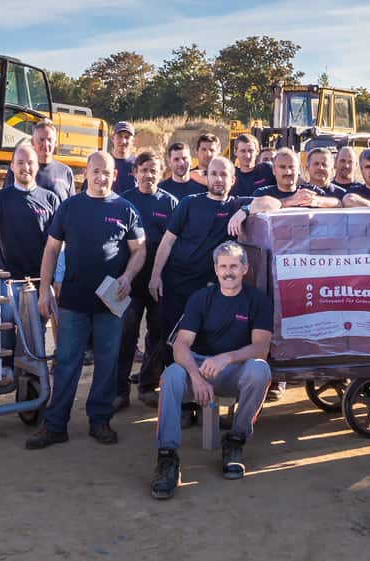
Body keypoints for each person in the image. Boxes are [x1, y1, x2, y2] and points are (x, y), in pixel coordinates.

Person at [29, 152, 146, 449]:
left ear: (114, 175)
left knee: (107, 362)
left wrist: (129, 276)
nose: (101, 177)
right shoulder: (69, 207)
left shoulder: (126, 209)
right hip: (73, 300)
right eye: (96, 171)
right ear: (86, 172)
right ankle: (55, 425)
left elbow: (140, 250)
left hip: (111, 300)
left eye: (106, 172)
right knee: (67, 362)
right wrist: (44, 290)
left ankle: (100, 420)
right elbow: (51, 249)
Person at [149, 157, 280, 408]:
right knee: (172, 343)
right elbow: (167, 241)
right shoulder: (189, 203)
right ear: (206, 177)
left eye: (224, 175)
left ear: (233, 179)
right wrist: (156, 276)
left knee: (199, 344)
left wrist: (245, 211)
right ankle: (184, 404)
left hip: (208, 290)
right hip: (176, 285)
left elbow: (272, 202)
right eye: (214, 174)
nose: (219, 179)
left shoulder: (236, 204)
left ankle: (204, 396)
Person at [150, 241, 274, 500]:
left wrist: (227, 357)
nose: (228, 272)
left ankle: (236, 441)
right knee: (172, 374)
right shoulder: (201, 298)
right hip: (200, 368)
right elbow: (181, 344)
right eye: (223, 266)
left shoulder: (257, 301)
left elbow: (261, 347)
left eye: (234, 266)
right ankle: (167, 458)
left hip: (233, 370)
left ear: (245, 268)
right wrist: (195, 376)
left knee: (260, 370)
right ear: (215, 270)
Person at [0, 143, 63, 370]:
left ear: (37, 166)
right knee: (4, 326)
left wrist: (57, 278)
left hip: (39, 284)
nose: (25, 167)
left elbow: (59, 245)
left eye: (30, 163)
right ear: (12, 166)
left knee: (34, 334)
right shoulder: (0, 198)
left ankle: (32, 383)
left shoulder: (51, 199)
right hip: (8, 282)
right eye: (20, 163)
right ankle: (6, 370)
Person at [117, 151, 179, 408]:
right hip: (128, 282)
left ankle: (148, 385)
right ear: (134, 174)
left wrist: (165, 277)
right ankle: (119, 391)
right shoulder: (123, 202)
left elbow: (176, 244)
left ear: (161, 172)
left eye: (153, 170)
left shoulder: (171, 203)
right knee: (124, 335)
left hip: (159, 282)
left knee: (158, 333)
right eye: (143, 170)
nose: (148, 175)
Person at [2, 120, 75, 202]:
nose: (46, 144)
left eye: (50, 140)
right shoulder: (20, 170)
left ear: (56, 143)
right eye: (41, 139)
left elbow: (71, 206)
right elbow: (6, 200)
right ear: (32, 142)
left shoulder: (65, 172)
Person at [253, 148, 343, 208]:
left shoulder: (310, 191)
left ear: (298, 170)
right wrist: (290, 201)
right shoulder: (262, 193)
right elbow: (250, 207)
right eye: (282, 167)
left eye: (291, 167)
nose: (287, 172)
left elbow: (338, 203)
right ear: (274, 170)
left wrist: (318, 201)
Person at [110, 121, 137, 193]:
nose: (123, 141)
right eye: (120, 136)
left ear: (133, 141)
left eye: (127, 137)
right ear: (112, 138)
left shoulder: (138, 164)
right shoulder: (105, 162)